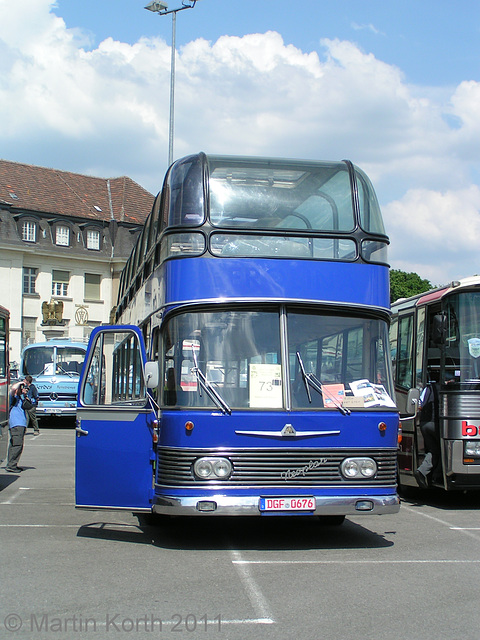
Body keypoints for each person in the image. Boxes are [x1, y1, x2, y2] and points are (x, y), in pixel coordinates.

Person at [414, 378, 441, 490]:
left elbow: (419, 404)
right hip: (436, 423)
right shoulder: (444, 388)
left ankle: (423, 471)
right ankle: (436, 476)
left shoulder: (427, 388)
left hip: (424, 423)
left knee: (433, 450)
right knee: (442, 451)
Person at [5, 381, 32, 473]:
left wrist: (25, 395)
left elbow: (29, 405)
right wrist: (21, 383)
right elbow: (13, 389)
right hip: (16, 424)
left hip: (21, 424)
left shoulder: (21, 398)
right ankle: (11, 465)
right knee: (17, 445)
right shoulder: (13, 398)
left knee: (16, 445)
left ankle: (13, 464)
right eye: (21, 388)